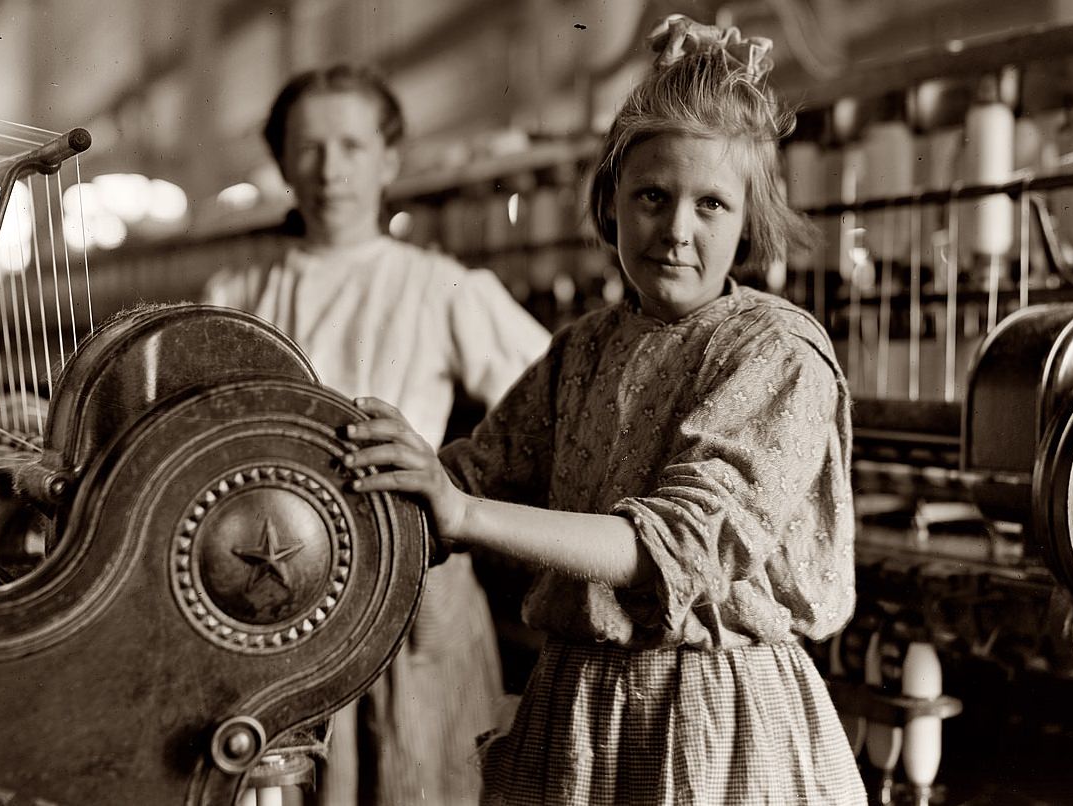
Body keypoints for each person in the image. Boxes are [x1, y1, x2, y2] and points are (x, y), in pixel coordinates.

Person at [342, 14, 866, 806]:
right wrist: (371, 481)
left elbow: (677, 547)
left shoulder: (776, 352)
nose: (677, 231)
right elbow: (478, 469)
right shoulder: (583, 349)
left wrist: (462, 513)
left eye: (711, 205)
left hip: (713, 720)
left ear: (750, 220)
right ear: (612, 202)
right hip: (576, 714)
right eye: (653, 196)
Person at [203, 64, 552, 806]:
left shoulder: (442, 285)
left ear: (389, 159)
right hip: (272, 592)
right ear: (282, 162)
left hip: (410, 581)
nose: (331, 170)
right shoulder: (235, 297)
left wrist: (454, 486)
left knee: (422, 778)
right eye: (309, 148)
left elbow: (558, 405)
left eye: (353, 146)